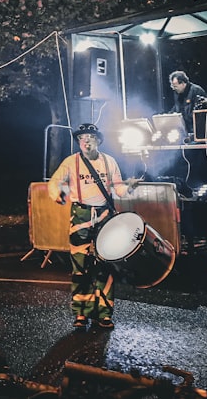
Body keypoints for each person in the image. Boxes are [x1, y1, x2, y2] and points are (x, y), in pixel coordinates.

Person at [47, 123, 135, 330]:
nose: (86, 141)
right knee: (80, 266)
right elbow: (55, 183)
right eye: (82, 138)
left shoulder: (109, 161)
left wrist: (129, 187)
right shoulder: (70, 162)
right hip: (80, 216)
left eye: (90, 137)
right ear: (78, 142)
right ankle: (81, 313)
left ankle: (104, 313)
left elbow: (118, 188)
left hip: (104, 216)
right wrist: (57, 194)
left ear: (99, 140)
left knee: (106, 264)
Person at [168, 70, 207, 135]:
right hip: (184, 132)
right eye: (172, 86)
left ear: (183, 83)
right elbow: (176, 108)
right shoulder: (177, 94)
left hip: (197, 132)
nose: (174, 88)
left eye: (175, 86)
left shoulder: (197, 91)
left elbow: (201, 116)